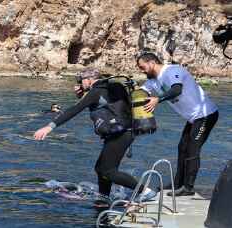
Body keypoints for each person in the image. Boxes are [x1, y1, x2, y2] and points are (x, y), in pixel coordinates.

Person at [33, 69, 156, 203]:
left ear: (89, 79)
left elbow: (74, 110)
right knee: (100, 169)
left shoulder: (96, 91)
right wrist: (83, 96)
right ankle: (104, 197)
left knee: (108, 170)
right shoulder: (110, 87)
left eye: (81, 81)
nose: (80, 84)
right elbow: (105, 106)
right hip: (124, 131)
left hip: (121, 133)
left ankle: (145, 191)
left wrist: (49, 127)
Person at [137, 52, 219, 196]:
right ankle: (178, 183)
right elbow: (140, 93)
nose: (141, 71)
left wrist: (157, 99)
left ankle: (188, 187)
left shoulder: (171, 70)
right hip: (193, 118)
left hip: (206, 114)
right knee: (182, 147)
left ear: (151, 63)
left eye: (142, 67)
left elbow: (176, 90)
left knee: (193, 148)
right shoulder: (153, 80)